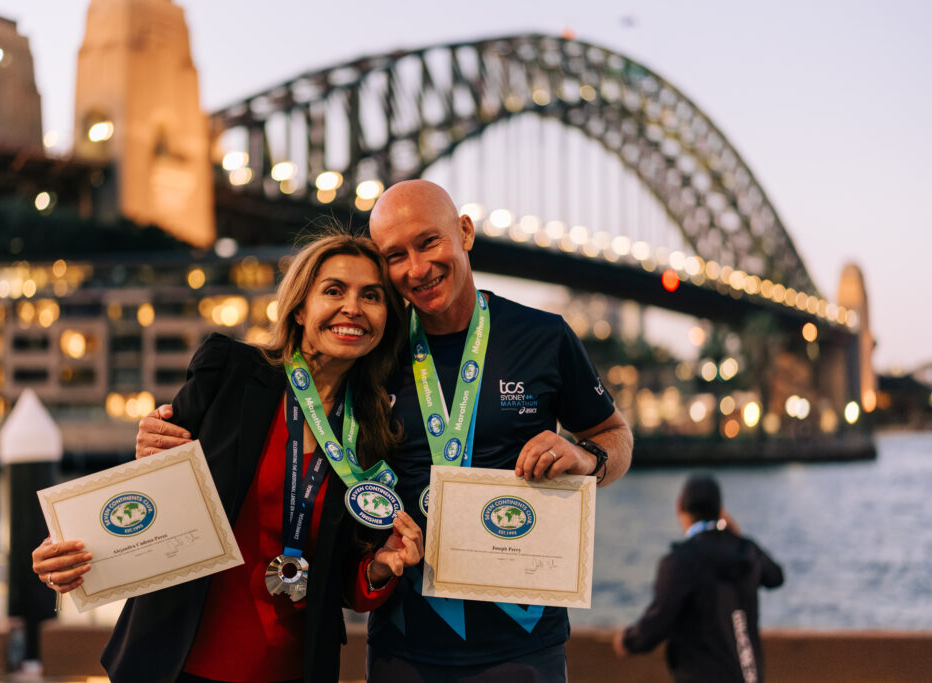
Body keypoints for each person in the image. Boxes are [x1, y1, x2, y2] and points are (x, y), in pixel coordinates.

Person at [139, 179, 634, 681]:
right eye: (395, 255)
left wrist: (587, 457)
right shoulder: (372, 352)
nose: (417, 269)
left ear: (464, 231)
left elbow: (616, 435)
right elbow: (299, 422)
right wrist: (159, 441)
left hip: (524, 637)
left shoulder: (544, 337)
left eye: (428, 242)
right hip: (404, 638)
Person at [32, 231, 425, 683]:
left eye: (371, 296)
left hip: (292, 670)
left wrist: (380, 567)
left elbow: (343, 581)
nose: (352, 308)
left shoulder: (375, 434)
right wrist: (68, 549)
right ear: (299, 307)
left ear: (385, 319)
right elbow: (146, 491)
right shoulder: (232, 374)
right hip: (175, 662)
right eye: (333, 290)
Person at [612, 474, 784, 682]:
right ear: (721, 510)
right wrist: (736, 535)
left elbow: (658, 620)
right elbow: (775, 576)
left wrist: (628, 641)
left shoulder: (680, 561)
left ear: (679, 508)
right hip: (748, 676)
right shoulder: (746, 551)